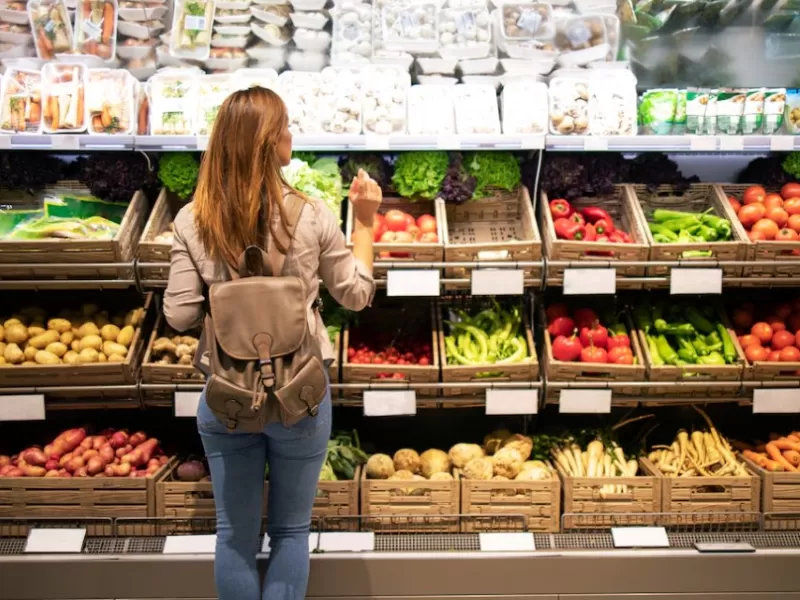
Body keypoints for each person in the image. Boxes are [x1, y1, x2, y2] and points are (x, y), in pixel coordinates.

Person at [162, 86, 381, 600]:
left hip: (227, 397)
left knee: (234, 535)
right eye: (283, 127)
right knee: (289, 532)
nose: (291, 135)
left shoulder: (193, 220)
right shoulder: (313, 214)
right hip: (299, 396)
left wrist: (226, 297)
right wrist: (366, 221)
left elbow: (179, 314)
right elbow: (355, 294)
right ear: (267, 144)